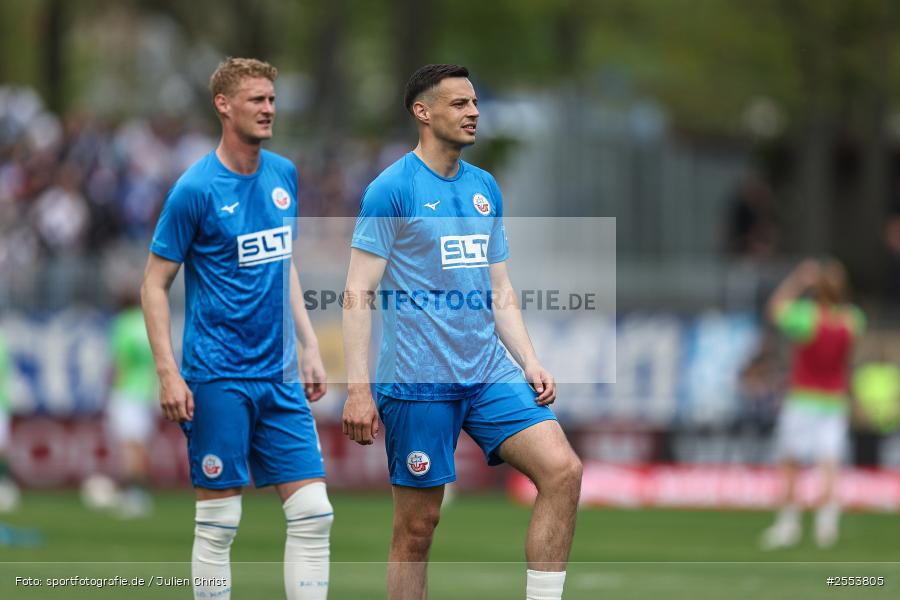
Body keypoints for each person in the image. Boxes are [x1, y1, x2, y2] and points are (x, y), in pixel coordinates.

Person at [342, 64, 582, 600]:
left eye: (474, 103)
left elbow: (499, 287)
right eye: (459, 104)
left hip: (489, 371)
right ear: (423, 113)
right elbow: (357, 291)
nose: (474, 113)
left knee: (563, 471)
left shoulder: (484, 187)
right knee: (417, 530)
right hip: (418, 379)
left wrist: (530, 360)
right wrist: (358, 389)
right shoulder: (391, 189)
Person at [141, 58, 332, 600]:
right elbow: (153, 285)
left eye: (272, 99)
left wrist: (309, 343)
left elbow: (283, 261)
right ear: (223, 105)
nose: (269, 109)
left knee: (314, 513)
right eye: (256, 99)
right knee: (219, 523)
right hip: (218, 376)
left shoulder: (283, 174)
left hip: (279, 376)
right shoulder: (195, 189)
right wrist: (168, 373)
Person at [760, 259, 864, 549]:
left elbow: (774, 309)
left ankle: (788, 523)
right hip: (834, 400)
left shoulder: (807, 317)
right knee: (828, 463)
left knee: (791, 461)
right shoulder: (852, 319)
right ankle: (826, 524)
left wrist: (798, 280)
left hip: (804, 398)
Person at [106, 292, 159, 518]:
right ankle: (139, 492)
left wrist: (110, 388)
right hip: (147, 390)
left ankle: (133, 493)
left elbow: (120, 360)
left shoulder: (123, 325)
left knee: (129, 446)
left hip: (127, 390)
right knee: (140, 446)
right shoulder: (146, 321)